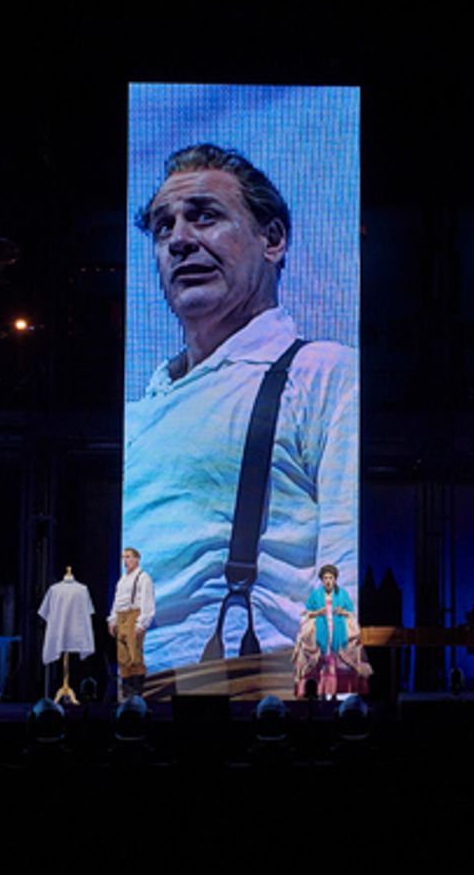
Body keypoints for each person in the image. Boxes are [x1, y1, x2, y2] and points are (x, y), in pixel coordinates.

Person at [123, 144, 358, 679]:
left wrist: (334, 714)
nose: (179, 240)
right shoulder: (141, 410)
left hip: (252, 692)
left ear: (272, 239)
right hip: (134, 698)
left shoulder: (322, 373)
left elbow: (346, 563)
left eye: (204, 216)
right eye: (163, 228)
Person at [292, 563, 367, 698]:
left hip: (338, 627)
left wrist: (341, 611)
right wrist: (317, 612)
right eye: (325, 578)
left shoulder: (342, 594)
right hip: (320, 627)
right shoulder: (316, 595)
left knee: (339, 659)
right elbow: (306, 613)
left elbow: (350, 612)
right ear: (322, 579)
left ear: (335, 579)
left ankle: (335, 692)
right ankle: (319, 691)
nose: (328, 581)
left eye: (331, 577)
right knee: (320, 657)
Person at [108, 547, 155, 699]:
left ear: (136, 559)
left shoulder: (143, 577)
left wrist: (142, 623)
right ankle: (127, 690)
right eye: (124, 557)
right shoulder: (123, 579)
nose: (125, 561)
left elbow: (147, 601)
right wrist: (113, 619)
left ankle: (137, 690)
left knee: (134, 655)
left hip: (134, 615)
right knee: (123, 656)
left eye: (128, 557)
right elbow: (117, 601)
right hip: (121, 616)